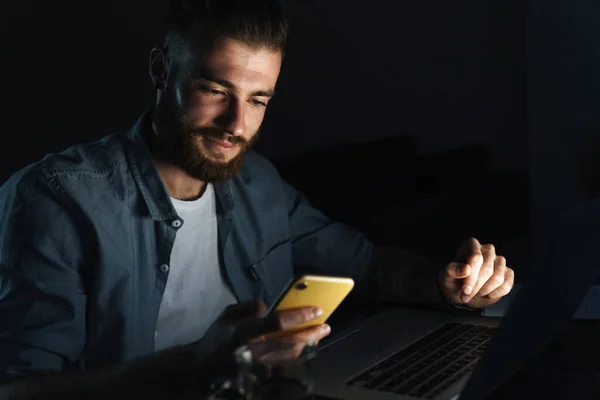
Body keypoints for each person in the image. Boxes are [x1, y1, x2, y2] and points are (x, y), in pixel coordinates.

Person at [0, 0, 514, 398]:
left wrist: (452, 285)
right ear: (161, 70)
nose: (237, 126)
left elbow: (369, 265)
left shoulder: (258, 184)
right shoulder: (55, 201)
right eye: (215, 91)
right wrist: (194, 367)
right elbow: (18, 390)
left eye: (258, 100)